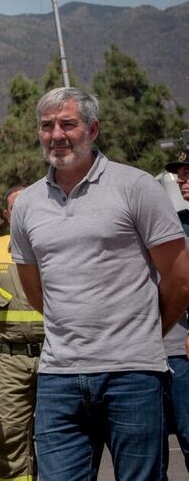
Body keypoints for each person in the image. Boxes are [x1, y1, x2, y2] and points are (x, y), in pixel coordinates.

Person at [11, 87, 189, 479]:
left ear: (93, 129)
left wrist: (145, 333)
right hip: (58, 376)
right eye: (46, 126)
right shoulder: (26, 204)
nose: (56, 134)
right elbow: (35, 291)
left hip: (133, 373)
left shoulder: (137, 186)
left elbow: (179, 279)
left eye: (68, 124)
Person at [0, 185, 42, 481]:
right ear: (7, 214)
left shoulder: (54, 243)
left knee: (59, 439)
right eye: (16, 207)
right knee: (10, 439)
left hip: (57, 355)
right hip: (12, 359)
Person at [161, 145, 189, 479]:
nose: (182, 178)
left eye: (188, 172)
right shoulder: (175, 223)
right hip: (167, 348)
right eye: (180, 172)